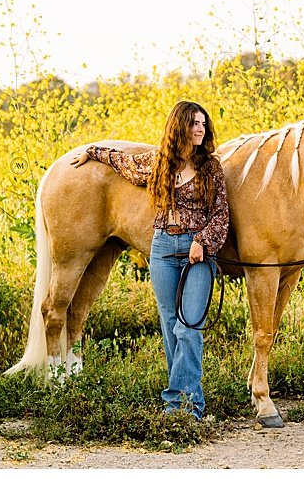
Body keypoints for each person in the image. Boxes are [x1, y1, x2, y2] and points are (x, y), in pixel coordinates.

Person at [70, 101, 229, 419]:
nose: (201, 129)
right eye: (194, 123)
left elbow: (222, 215)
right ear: (179, 127)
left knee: (189, 327)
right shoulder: (159, 164)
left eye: (203, 124)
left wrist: (203, 241)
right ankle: (185, 402)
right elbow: (124, 163)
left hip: (196, 253)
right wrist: (93, 151)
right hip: (162, 249)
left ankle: (182, 405)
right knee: (170, 325)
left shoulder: (210, 167)